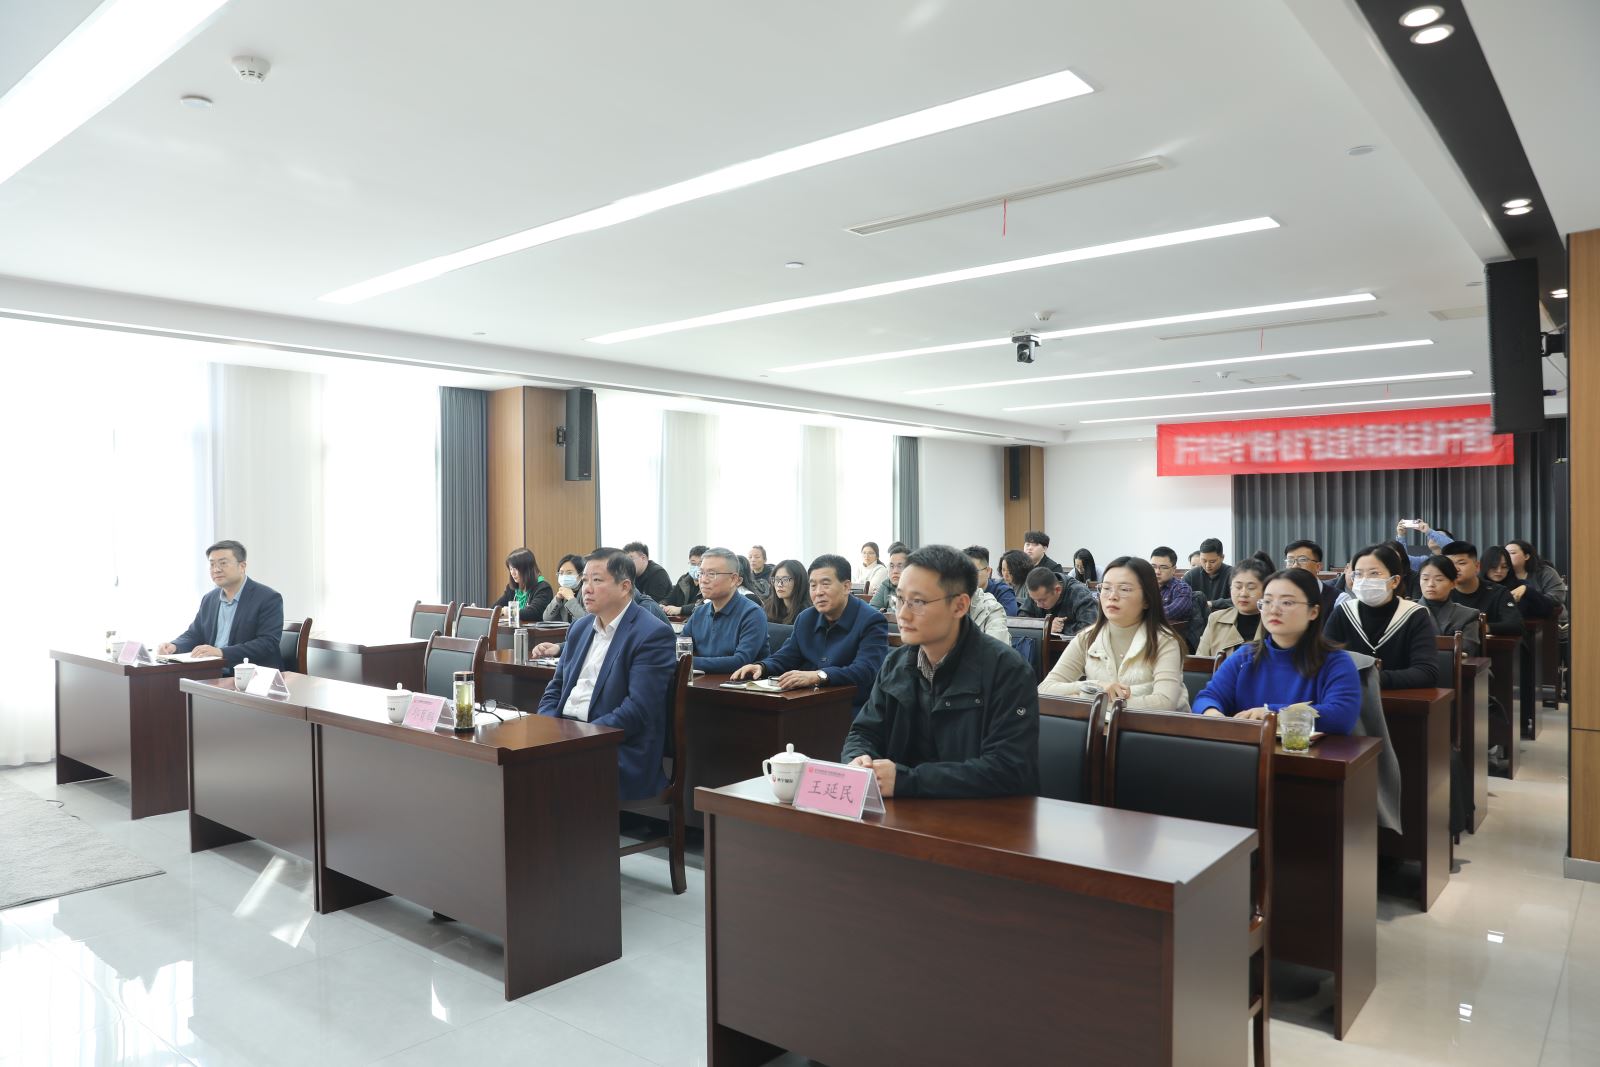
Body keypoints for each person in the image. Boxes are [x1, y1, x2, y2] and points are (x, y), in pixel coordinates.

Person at [841, 545, 1038, 798]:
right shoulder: (896, 663)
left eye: (918, 602)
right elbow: (864, 731)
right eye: (900, 599)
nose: (902, 614)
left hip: (980, 816)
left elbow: (1007, 770)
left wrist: (906, 781)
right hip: (903, 812)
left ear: (959, 606)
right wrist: (859, 759)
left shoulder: (1008, 671)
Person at [534, 550, 676, 802]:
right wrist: (549, 728)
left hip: (616, 747)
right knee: (514, 760)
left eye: (597, 580)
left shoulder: (652, 633)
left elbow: (638, 709)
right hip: (569, 737)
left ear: (625, 587)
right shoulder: (579, 628)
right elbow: (555, 688)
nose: (586, 589)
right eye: (584, 580)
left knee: (543, 774)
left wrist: (583, 736)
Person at [1192, 568, 1362, 734]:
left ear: (1313, 612)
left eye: (1287, 602)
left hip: (1309, 751)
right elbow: (1207, 698)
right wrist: (1214, 715)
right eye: (1267, 601)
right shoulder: (1245, 656)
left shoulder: (1335, 661)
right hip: (1249, 750)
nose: (1273, 610)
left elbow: (1341, 716)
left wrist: (1272, 713)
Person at [730, 554, 887, 713]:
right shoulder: (806, 618)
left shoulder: (871, 620)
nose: (818, 592)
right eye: (813, 585)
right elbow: (787, 656)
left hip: (851, 707)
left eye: (825, 584)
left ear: (846, 587)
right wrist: (761, 666)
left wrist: (818, 676)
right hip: (808, 703)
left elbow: (865, 670)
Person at [1041, 557, 1187, 711]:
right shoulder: (1087, 637)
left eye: (1124, 589)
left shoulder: (1164, 641)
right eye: (1106, 588)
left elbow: (1165, 702)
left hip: (1152, 726)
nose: (1112, 596)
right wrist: (1094, 686)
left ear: (1147, 599)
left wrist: (1094, 701)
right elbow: (1045, 689)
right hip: (1099, 725)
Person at [1323, 543, 1440, 689]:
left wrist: (1371, 679)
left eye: (1374, 573)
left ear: (1395, 581)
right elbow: (1324, 661)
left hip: (1401, 698)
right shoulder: (1343, 612)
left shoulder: (1415, 614)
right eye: (1358, 574)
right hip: (1350, 697)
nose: (1364, 580)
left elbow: (1427, 672)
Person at [159, 540, 284, 671]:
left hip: (252, 675)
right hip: (213, 673)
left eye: (223, 563)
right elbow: (195, 634)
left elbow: (267, 643)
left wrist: (221, 652)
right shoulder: (209, 598)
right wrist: (174, 646)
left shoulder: (268, 598)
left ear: (242, 566)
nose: (216, 569)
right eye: (212, 564)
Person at [679, 547, 768, 673]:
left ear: (734, 579)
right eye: (701, 573)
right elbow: (681, 648)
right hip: (702, 681)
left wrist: (687, 662)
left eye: (711, 574)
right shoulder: (699, 612)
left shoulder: (752, 613)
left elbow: (740, 661)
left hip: (737, 683)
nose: (703, 580)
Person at [1442, 541, 1524, 636]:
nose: (1455, 569)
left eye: (1461, 563)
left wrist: (1481, 628)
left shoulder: (1498, 592)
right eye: (1450, 565)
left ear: (1477, 566)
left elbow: (1516, 625)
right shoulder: (1443, 592)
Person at [1195, 556, 1271, 658]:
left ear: (1266, 590)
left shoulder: (1274, 622)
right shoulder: (1216, 619)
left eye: (1251, 587)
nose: (1243, 593)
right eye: (1238, 587)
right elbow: (1200, 661)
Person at [1415, 555, 1484, 656]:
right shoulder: (1406, 610)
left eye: (1439, 579)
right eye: (1425, 579)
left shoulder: (1468, 615)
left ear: (1453, 583)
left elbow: (1468, 649)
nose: (1430, 584)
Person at [1020, 566, 1097, 637]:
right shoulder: (1037, 592)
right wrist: (1046, 625)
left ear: (1057, 590)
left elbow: (1090, 627)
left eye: (1042, 600)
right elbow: (1021, 620)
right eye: (1034, 600)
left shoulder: (1079, 594)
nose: (1038, 605)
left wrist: (1062, 628)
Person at [1505, 540, 1568, 623]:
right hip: (1517, 623)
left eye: (1512, 553)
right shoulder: (1502, 574)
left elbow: (1557, 597)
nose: (1506, 557)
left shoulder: (1545, 572)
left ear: (1526, 556)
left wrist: (1528, 593)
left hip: (1551, 621)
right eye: (1505, 554)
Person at [1284, 539, 1341, 621]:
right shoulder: (1279, 595)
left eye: (1302, 560)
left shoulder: (1339, 599)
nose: (1295, 565)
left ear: (1318, 566)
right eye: (1290, 561)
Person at [492, 547, 552, 624]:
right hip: (513, 630)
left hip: (534, 631)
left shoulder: (543, 588)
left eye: (515, 569)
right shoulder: (512, 588)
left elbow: (533, 613)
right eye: (511, 569)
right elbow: (495, 608)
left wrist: (510, 611)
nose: (512, 573)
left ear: (527, 569)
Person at [965, 545, 1019, 616]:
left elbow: (1008, 618)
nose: (968, 576)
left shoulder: (1003, 592)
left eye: (974, 571)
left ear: (988, 571)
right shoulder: (960, 593)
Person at [1149, 546, 1194, 629]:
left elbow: (1172, 611)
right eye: (1153, 567)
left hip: (1173, 633)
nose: (1157, 572)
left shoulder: (1182, 588)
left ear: (1173, 569)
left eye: (1163, 567)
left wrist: (1143, 613)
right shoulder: (1144, 586)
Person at [1183, 538, 1234, 612]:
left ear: (1222, 557)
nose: (1207, 566)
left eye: (1212, 561)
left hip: (1225, 616)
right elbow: (1179, 597)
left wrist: (1212, 603)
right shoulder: (1191, 575)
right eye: (1203, 561)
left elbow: (1239, 599)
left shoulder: (1233, 574)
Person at [662, 545, 708, 618]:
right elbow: (671, 598)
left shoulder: (709, 582)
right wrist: (663, 605)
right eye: (693, 564)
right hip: (680, 621)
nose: (696, 567)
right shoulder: (683, 580)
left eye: (700, 564)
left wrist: (681, 609)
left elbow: (704, 604)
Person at [544, 553, 590, 623]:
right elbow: (546, 618)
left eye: (569, 573)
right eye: (561, 573)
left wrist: (571, 599)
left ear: (580, 575)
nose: (564, 576)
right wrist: (557, 599)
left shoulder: (587, 592)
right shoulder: (563, 592)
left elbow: (586, 621)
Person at [763, 558, 809, 624]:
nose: (779, 584)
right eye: (777, 579)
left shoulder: (808, 613)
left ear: (799, 581)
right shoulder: (769, 607)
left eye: (785, 579)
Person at [869, 542, 909, 612]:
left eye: (900, 566)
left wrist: (887, 611)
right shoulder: (886, 585)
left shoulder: (917, 588)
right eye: (891, 566)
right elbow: (871, 610)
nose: (895, 571)